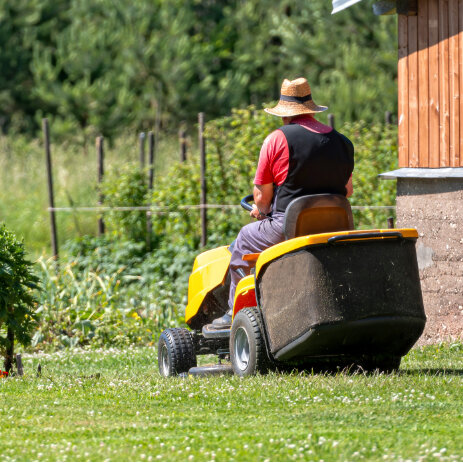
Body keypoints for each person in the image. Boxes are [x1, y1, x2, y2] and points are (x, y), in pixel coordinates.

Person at [212, 77, 354, 328]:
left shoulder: (277, 139)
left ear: (285, 115)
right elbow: (347, 191)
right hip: (335, 227)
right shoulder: (343, 143)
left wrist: (261, 210)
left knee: (244, 238)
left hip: (288, 228)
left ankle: (235, 311)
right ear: (310, 110)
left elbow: (262, 200)